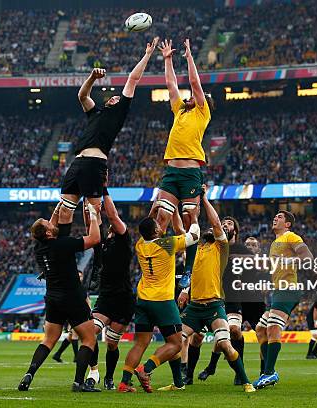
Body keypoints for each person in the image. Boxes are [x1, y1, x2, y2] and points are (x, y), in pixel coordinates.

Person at [58, 38, 159, 227]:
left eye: (117, 96)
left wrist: (147, 55)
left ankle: (98, 251)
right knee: (65, 209)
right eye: (112, 96)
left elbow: (133, 79)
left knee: (92, 212)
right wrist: (92, 78)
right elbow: (82, 96)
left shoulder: (119, 112)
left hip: (95, 163)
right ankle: (62, 252)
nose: (115, 96)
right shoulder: (95, 113)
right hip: (78, 161)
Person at [173, 188, 255, 393]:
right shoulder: (201, 248)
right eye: (223, 223)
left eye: (229, 224)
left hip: (224, 297)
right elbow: (186, 233)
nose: (223, 225)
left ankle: (240, 374)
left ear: (234, 231)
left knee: (230, 336)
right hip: (202, 299)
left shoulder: (229, 247)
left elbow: (216, 225)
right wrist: (179, 207)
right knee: (195, 338)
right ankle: (187, 374)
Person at [18, 199, 101, 392]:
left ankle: (30, 373)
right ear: (48, 232)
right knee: (89, 339)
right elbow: (95, 238)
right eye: (48, 223)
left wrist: (57, 208)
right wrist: (94, 214)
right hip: (72, 297)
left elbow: (50, 224)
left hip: (53, 298)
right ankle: (78, 382)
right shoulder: (64, 244)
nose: (51, 221)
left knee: (48, 340)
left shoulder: (38, 248)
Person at [153, 38, 214, 287]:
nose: (191, 97)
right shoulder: (180, 110)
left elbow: (195, 84)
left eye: (199, 97)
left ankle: (188, 271)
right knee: (161, 220)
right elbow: (171, 85)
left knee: (190, 221)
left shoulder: (202, 112)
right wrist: (167, 59)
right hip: (171, 173)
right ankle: (157, 265)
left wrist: (189, 58)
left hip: (190, 173)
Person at [118, 210, 200, 393]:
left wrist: (155, 210)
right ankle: (145, 369)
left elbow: (147, 227)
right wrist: (194, 218)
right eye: (157, 225)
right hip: (162, 300)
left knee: (140, 343)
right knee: (176, 344)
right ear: (156, 231)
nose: (160, 226)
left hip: (143, 299)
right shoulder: (167, 243)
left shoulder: (140, 245)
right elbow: (194, 236)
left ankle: (124, 383)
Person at [197, 226, 264, 384]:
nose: (250, 247)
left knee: (263, 335)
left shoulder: (260, 264)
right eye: (247, 245)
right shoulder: (230, 255)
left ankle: (264, 371)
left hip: (254, 302)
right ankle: (222, 368)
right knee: (227, 331)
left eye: (254, 245)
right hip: (234, 300)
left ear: (259, 249)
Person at [254, 211, 313, 389]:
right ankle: (267, 372)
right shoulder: (274, 243)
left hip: (288, 290)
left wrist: (287, 261)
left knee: (272, 328)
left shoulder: (291, 237)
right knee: (260, 329)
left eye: (279, 217)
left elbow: (307, 258)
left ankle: (269, 373)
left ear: (287, 224)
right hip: (277, 291)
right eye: (275, 216)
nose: (275, 218)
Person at [88, 192, 136, 390]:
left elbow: (113, 216)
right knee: (90, 332)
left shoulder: (125, 241)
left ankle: (109, 377)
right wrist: (91, 206)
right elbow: (93, 223)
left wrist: (104, 191)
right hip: (106, 297)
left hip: (123, 299)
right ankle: (94, 371)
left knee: (111, 343)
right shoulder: (103, 243)